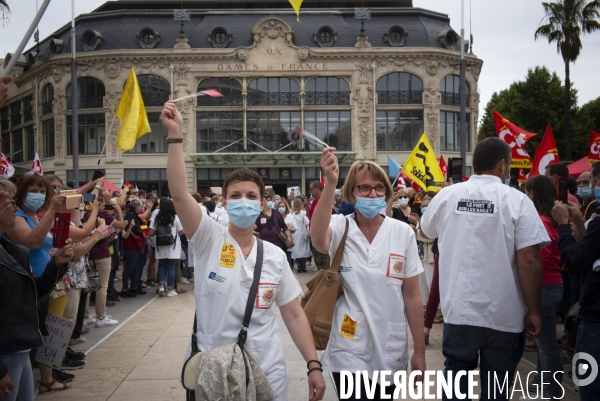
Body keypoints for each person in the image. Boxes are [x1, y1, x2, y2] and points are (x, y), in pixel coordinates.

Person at [161, 100, 326, 400]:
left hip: (266, 369)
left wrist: (313, 364)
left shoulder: (275, 256)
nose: (244, 200)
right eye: (235, 196)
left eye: (251, 196)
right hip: (214, 370)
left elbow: (294, 315)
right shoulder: (208, 238)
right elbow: (179, 194)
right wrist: (175, 136)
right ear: (224, 202)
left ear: (262, 204)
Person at [420, 137, 549, 400]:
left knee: (455, 383)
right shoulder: (517, 201)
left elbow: (424, 231)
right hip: (504, 314)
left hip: (459, 312)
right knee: (497, 387)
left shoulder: (447, 196)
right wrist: (534, 310)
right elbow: (530, 260)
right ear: (503, 165)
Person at [311, 149, 425, 400]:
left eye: (378, 188)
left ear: (387, 192)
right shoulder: (342, 226)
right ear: (352, 192)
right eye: (364, 188)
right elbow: (318, 239)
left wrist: (419, 350)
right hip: (348, 344)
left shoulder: (402, 233)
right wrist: (331, 183)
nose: (372, 194)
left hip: (389, 346)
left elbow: (412, 295)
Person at [0, 183, 75, 398]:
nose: (15, 210)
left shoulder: (12, 250)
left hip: (20, 348)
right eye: (8, 203)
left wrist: (57, 264)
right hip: (6, 352)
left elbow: (35, 292)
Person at [551, 184, 600, 401]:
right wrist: (580, 222)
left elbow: (575, 259)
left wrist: (563, 225)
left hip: (596, 321)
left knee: (591, 388)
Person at [523, 175, 564, 399]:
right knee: (544, 345)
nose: (525, 196)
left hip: (545, 287)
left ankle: (551, 391)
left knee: (547, 346)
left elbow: (542, 258)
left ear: (534, 194)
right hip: (550, 286)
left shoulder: (543, 222)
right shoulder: (546, 219)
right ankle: (546, 387)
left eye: (527, 192)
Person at [148, 198, 185, 297]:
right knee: (171, 268)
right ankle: (169, 289)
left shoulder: (157, 218)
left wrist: (160, 232)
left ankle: (161, 285)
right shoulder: (175, 218)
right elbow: (181, 232)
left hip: (160, 246)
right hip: (173, 246)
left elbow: (150, 233)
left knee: (162, 266)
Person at [308, 181, 328, 271]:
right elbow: (310, 216)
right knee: (316, 257)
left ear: (317, 189)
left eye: (311, 189)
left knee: (322, 259)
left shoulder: (323, 200)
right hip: (314, 232)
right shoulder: (314, 201)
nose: (310, 191)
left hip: (321, 233)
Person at [289, 199, 311, 273]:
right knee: (303, 250)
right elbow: (307, 222)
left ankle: (299, 266)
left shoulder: (291, 214)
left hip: (295, 233)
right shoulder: (304, 213)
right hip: (302, 233)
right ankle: (304, 267)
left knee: (296, 251)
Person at [279, 199, 296, 269]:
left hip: (287, 241)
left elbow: (294, 229)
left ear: (286, 207)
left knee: (288, 260)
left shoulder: (290, 217)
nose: (281, 208)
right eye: (279, 206)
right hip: (278, 241)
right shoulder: (276, 217)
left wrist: (286, 228)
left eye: (283, 206)